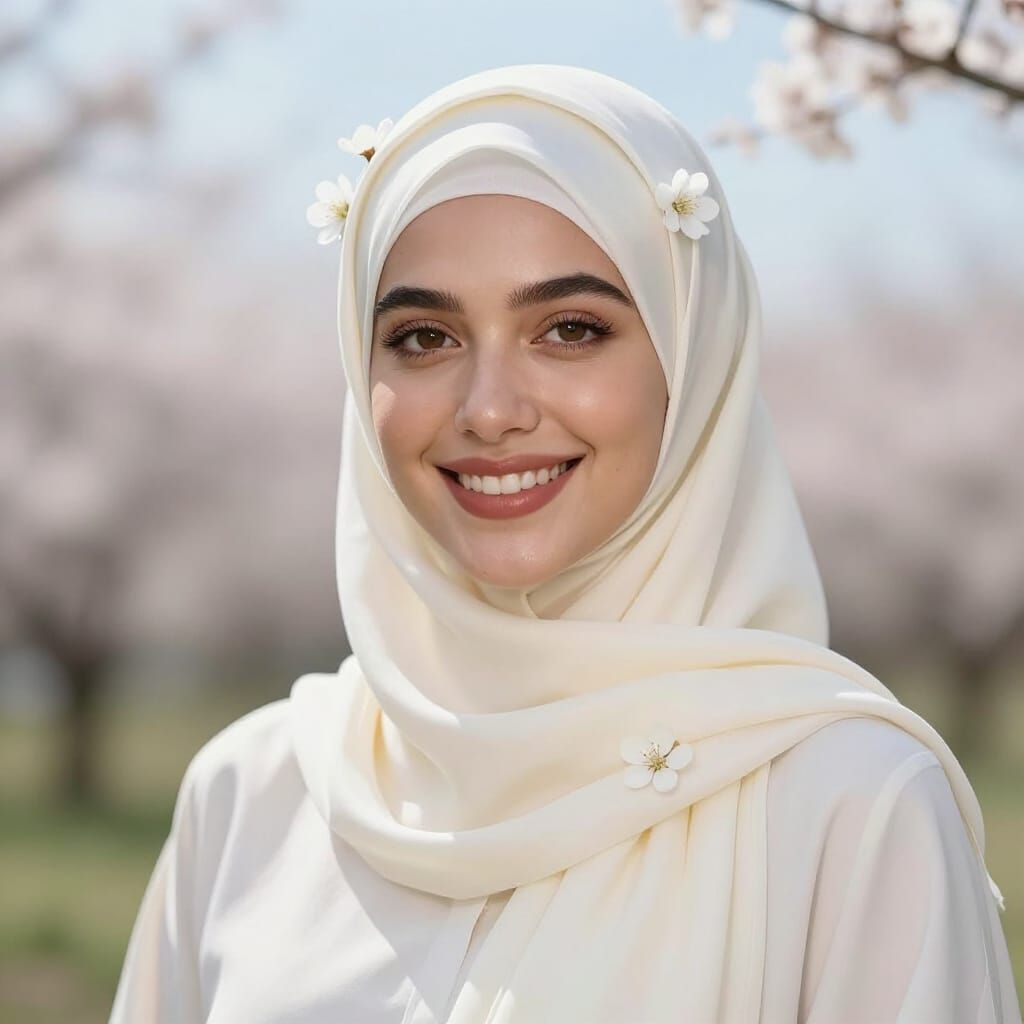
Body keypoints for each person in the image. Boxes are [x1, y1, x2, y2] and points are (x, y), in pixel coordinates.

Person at [108, 63, 1022, 1023]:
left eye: (571, 328)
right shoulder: (256, 793)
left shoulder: (850, 808)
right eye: (423, 338)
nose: (490, 410)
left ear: (692, 359)